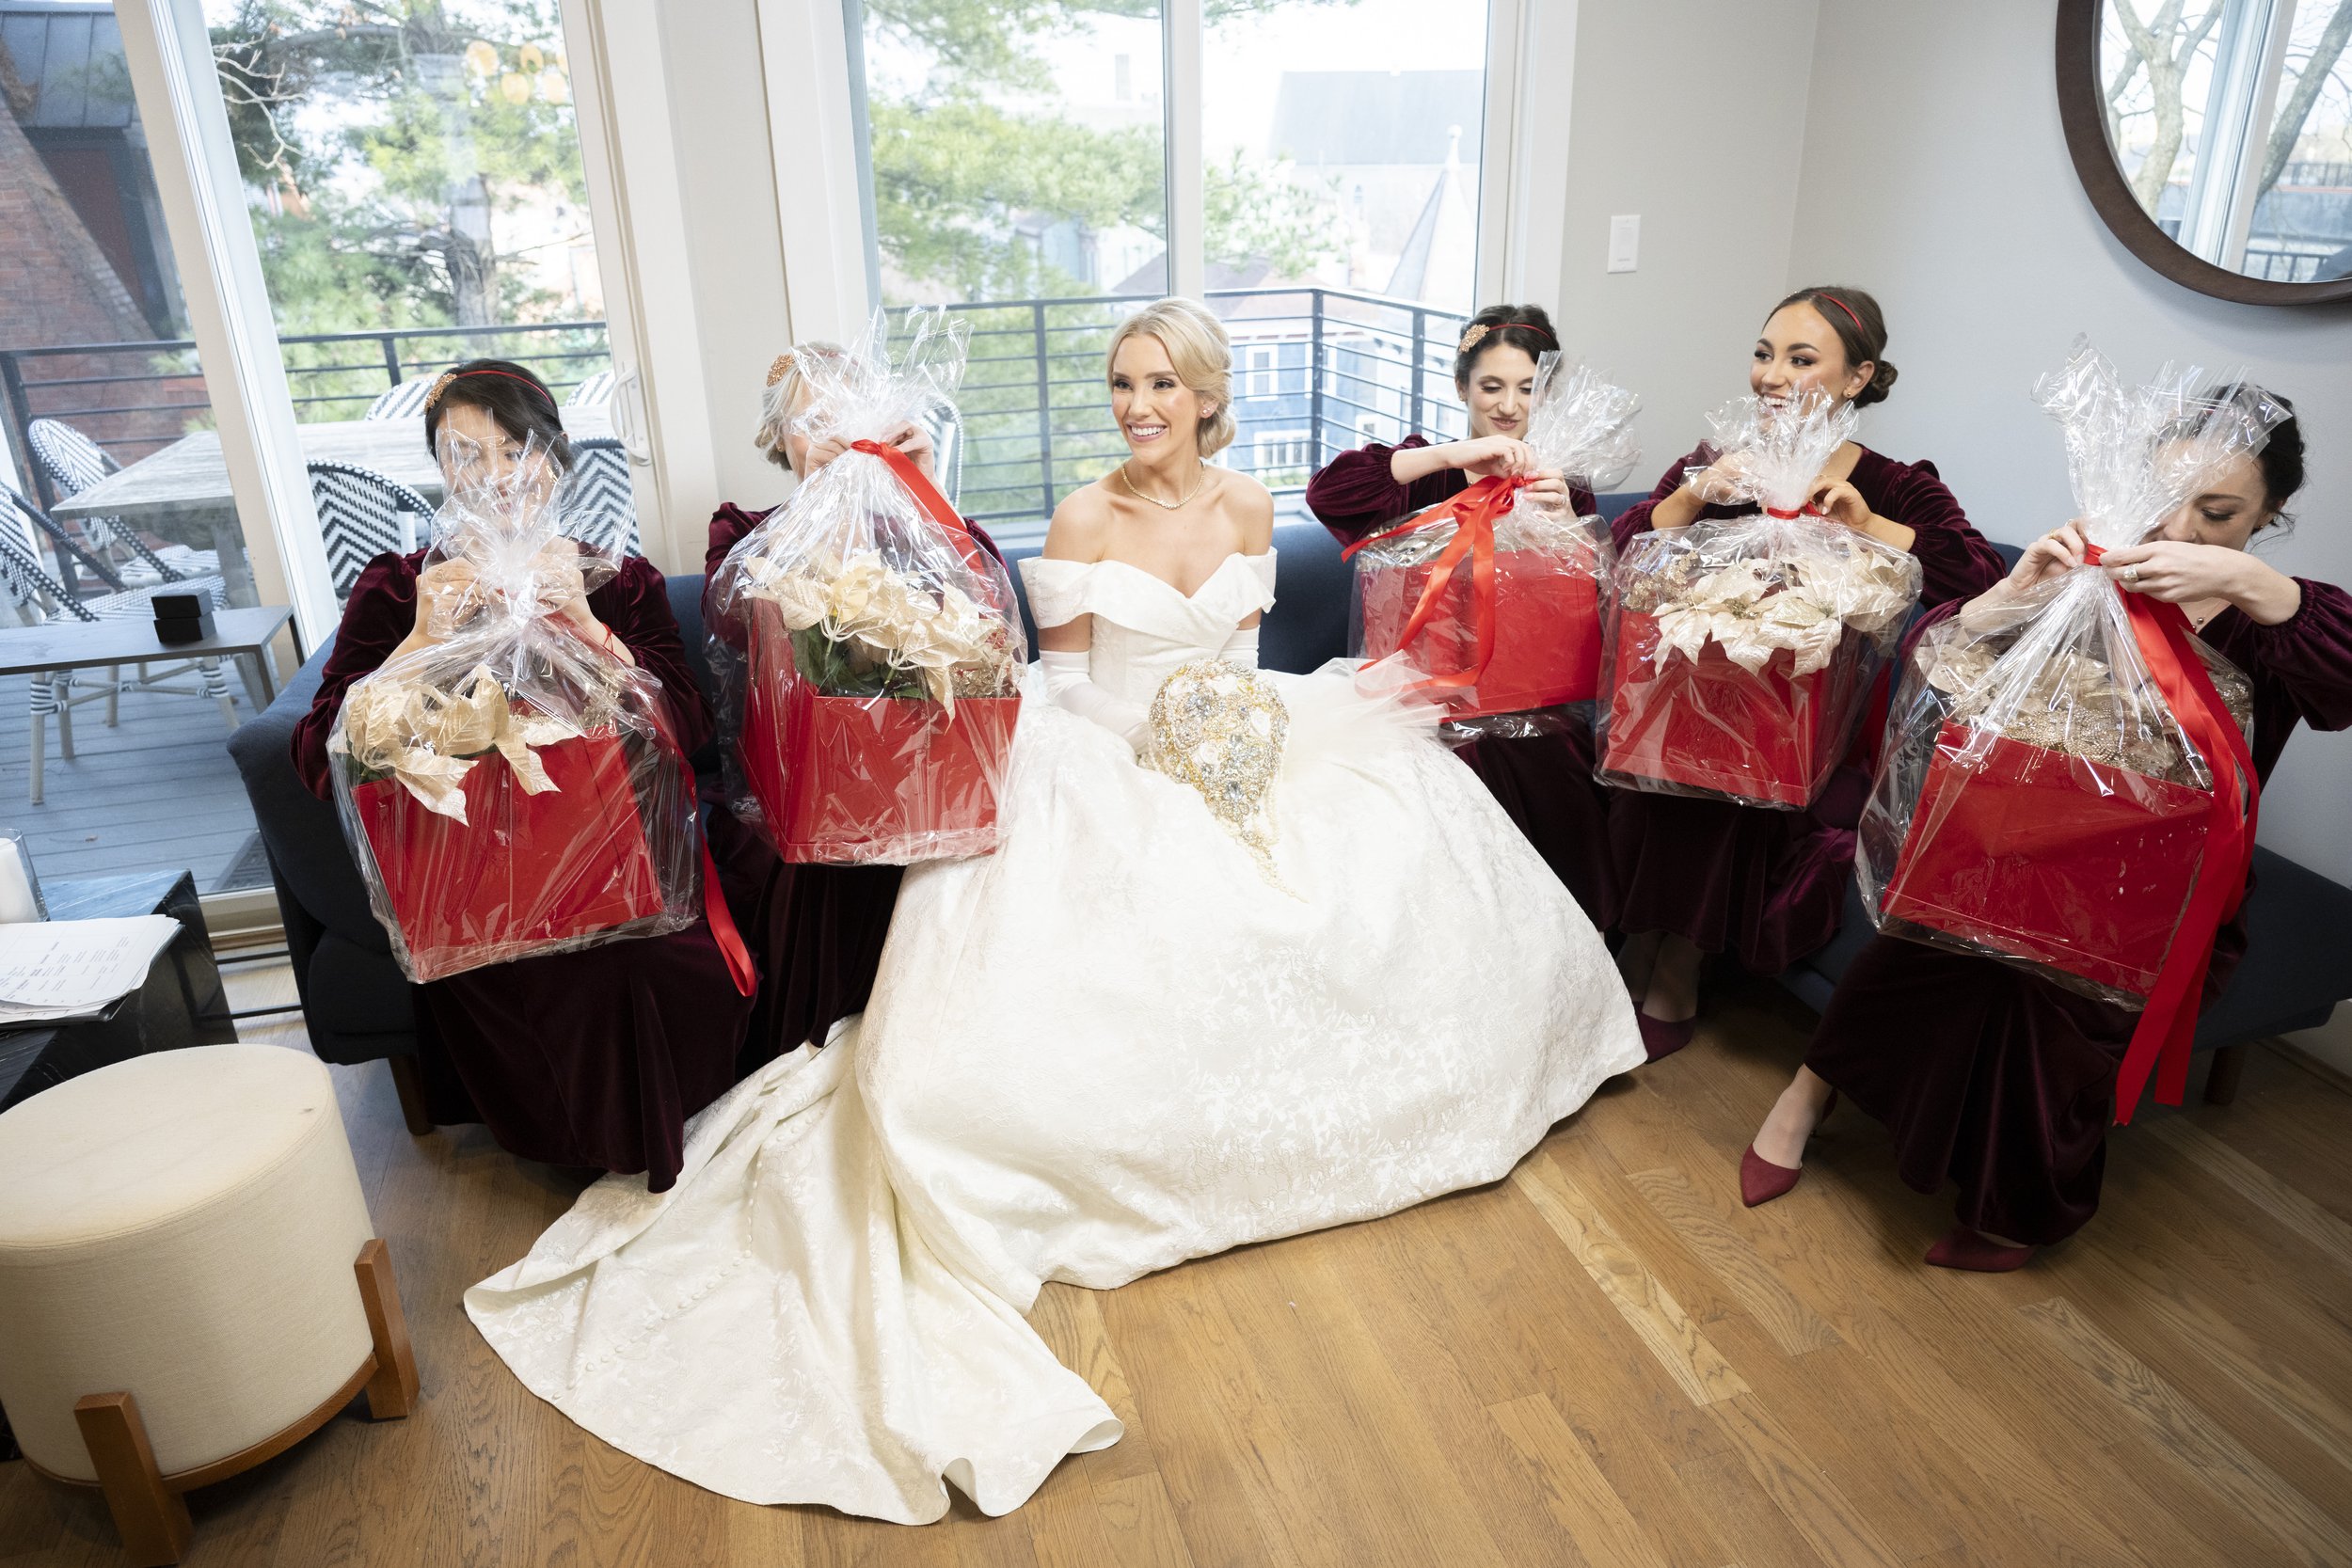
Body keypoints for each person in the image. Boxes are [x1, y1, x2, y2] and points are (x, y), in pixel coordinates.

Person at [465, 298, 1645, 1524]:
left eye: (1160, 385)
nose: (1137, 405)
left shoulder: (1249, 506)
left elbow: (1244, 651)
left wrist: (1231, 730)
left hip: (1255, 729)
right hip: (1104, 746)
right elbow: (1067, 685)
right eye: (1122, 383)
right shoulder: (1083, 515)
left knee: (1399, 847)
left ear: (1202, 394)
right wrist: (1163, 745)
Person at [1742, 388, 2352, 1269]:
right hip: (2018, 832)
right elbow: (1940, 674)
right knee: (1917, 943)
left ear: (2271, 515)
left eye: (2218, 515)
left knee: (2057, 1021)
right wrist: (2013, 594)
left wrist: (2253, 585)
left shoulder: (2278, 615)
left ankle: (2014, 1208)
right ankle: (1805, 1096)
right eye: (2164, 498)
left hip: (2161, 885)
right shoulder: (2088, 573)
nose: (2179, 529)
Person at [292, 358, 755, 1192]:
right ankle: (581, 1150)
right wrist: (419, 644)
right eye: (467, 455)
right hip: (473, 873)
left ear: (557, 459)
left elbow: (685, 727)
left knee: (643, 957)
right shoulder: (400, 589)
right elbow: (321, 755)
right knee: (532, 967)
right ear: (438, 470)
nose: (497, 476)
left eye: (516, 450)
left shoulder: (615, 579)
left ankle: (665, 1137)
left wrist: (582, 622)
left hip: (617, 852)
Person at [1608, 287, 2006, 1058]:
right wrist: (1696, 492)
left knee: (1739, 778)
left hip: (1822, 729)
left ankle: (1678, 962)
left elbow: (1978, 573)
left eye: (1800, 358)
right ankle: (1643, 936)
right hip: (1699, 694)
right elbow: (1626, 552)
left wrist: (1865, 524)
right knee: (1675, 753)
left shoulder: (1895, 483)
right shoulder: (1716, 459)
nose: (1771, 375)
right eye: (1763, 354)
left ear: (1858, 378)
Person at [701, 347, 1001, 1064]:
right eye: (813, 418)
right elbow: (735, 624)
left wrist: (924, 490)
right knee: (818, 863)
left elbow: (990, 617)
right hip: (799, 789)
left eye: (849, 412)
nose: (833, 432)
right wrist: (825, 515)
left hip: (920, 772)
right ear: (780, 438)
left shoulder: (912, 528)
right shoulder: (740, 527)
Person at [1304, 303, 1620, 926]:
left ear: (1547, 395)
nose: (1507, 404)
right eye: (1491, 386)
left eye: (1527, 388)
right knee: (1458, 762)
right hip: (1421, 704)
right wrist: (1454, 456)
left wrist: (1569, 528)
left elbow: (1596, 603)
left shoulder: (1560, 483)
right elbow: (1329, 493)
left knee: (1551, 759)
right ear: (1462, 388)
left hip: (1531, 703)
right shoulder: (1425, 468)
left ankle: (1555, 943)